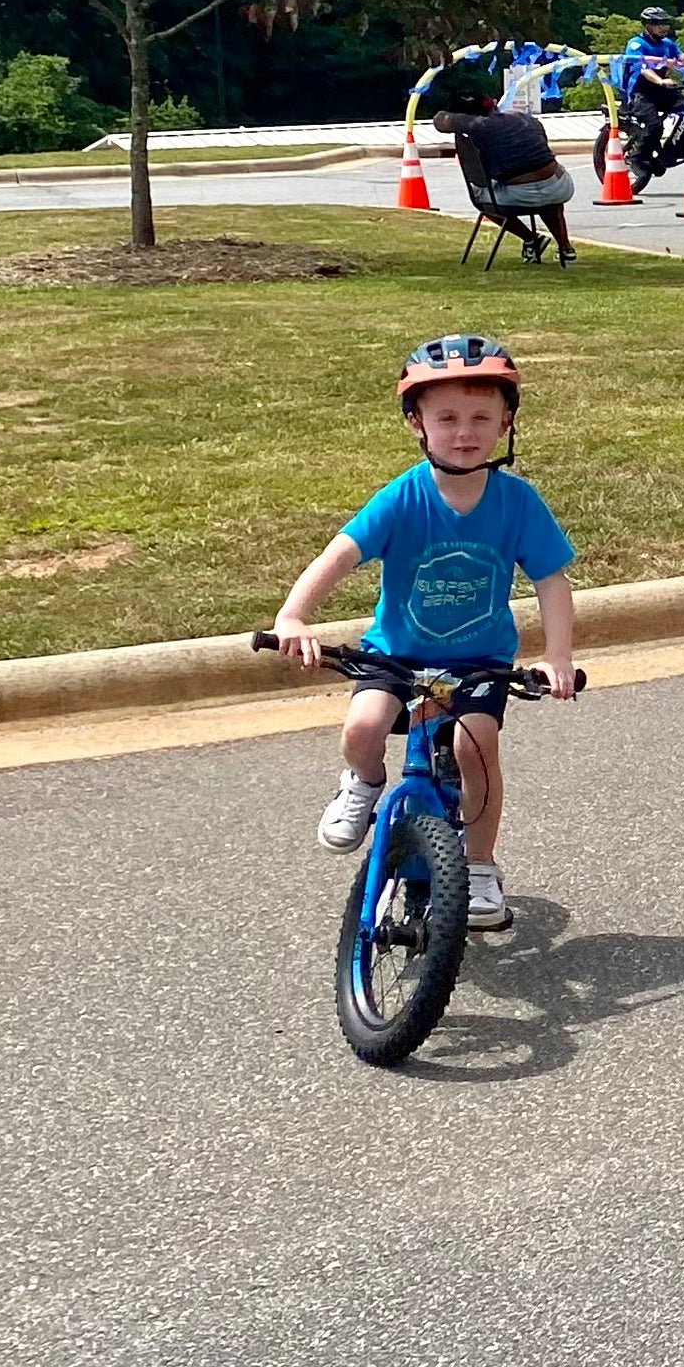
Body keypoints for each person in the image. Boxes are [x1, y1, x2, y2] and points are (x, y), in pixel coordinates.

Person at [276, 337, 581, 933]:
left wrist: (558, 656)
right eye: (446, 418)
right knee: (362, 728)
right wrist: (293, 615)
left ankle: (482, 867)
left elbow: (551, 580)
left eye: (480, 418)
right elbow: (339, 556)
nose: (464, 432)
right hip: (396, 653)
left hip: (479, 661)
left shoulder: (517, 503)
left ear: (506, 424)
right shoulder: (404, 497)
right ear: (417, 424)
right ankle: (363, 784)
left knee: (475, 748)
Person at [430, 90, 580, 262]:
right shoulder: (526, 119)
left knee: (483, 200)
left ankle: (531, 239)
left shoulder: (477, 126)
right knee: (547, 197)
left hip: (519, 194)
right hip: (559, 187)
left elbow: (440, 121)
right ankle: (565, 247)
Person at [610, 7, 684, 176]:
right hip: (638, 93)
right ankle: (637, 157)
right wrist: (660, 80)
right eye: (658, 24)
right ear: (647, 25)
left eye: (665, 23)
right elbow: (643, 68)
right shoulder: (636, 44)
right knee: (654, 126)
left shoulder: (668, 44)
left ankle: (674, 150)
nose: (664, 27)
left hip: (660, 90)